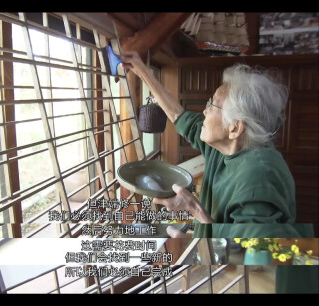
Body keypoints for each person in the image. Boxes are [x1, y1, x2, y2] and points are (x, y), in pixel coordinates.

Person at [120, 51, 318, 293]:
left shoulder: (259, 177)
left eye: (211, 105)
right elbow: (178, 116)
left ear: (234, 127)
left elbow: (252, 257)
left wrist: (194, 212)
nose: (203, 112)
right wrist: (142, 71)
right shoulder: (225, 146)